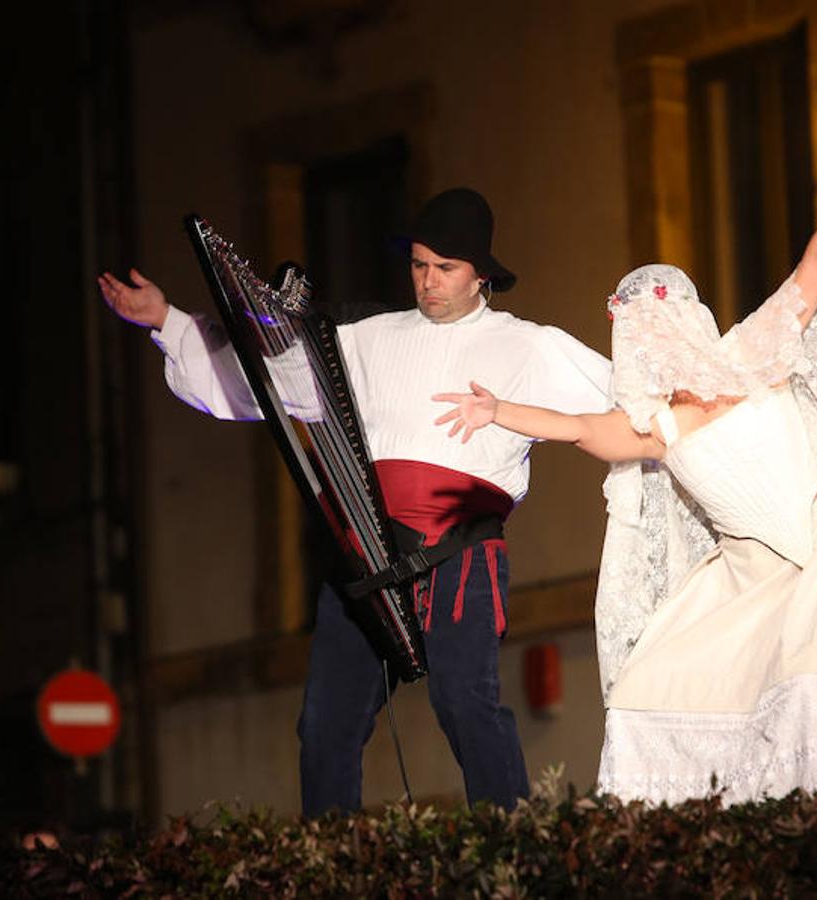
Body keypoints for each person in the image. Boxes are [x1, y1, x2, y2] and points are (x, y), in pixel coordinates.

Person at [434, 103, 817, 805]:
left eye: (660, 326)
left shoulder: (754, 355)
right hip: (743, 583)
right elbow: (580, 428)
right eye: (640, 335)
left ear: (689, 322)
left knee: (807, 704)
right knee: (648, 690)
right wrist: (498, 411)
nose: (652, 344)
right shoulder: (655, 427)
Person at [98, 188, 612, 814]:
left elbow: (619, 400)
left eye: (445, 268)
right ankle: (331, 863)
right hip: (366, 552)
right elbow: (263, 384)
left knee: (464, 702)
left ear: (480, 275)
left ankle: (516, 851)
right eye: (419, 265)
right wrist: (166, 321)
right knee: (325, 726)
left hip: (459, 551)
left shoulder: (526, 345)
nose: (429, 281)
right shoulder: (368, 338)